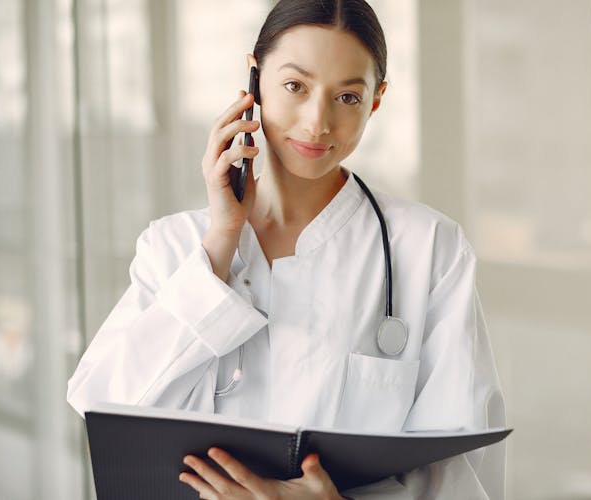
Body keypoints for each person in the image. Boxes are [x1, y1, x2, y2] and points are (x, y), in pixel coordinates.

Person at [66, 0, 505, 498]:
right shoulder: (174, 248)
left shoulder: (430, 249)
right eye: (295, 86)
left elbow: (462, 465)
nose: (318, 122)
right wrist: (219, 247)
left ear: (377, 100)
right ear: (254, 77)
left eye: (347, 97)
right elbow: (102, 407)